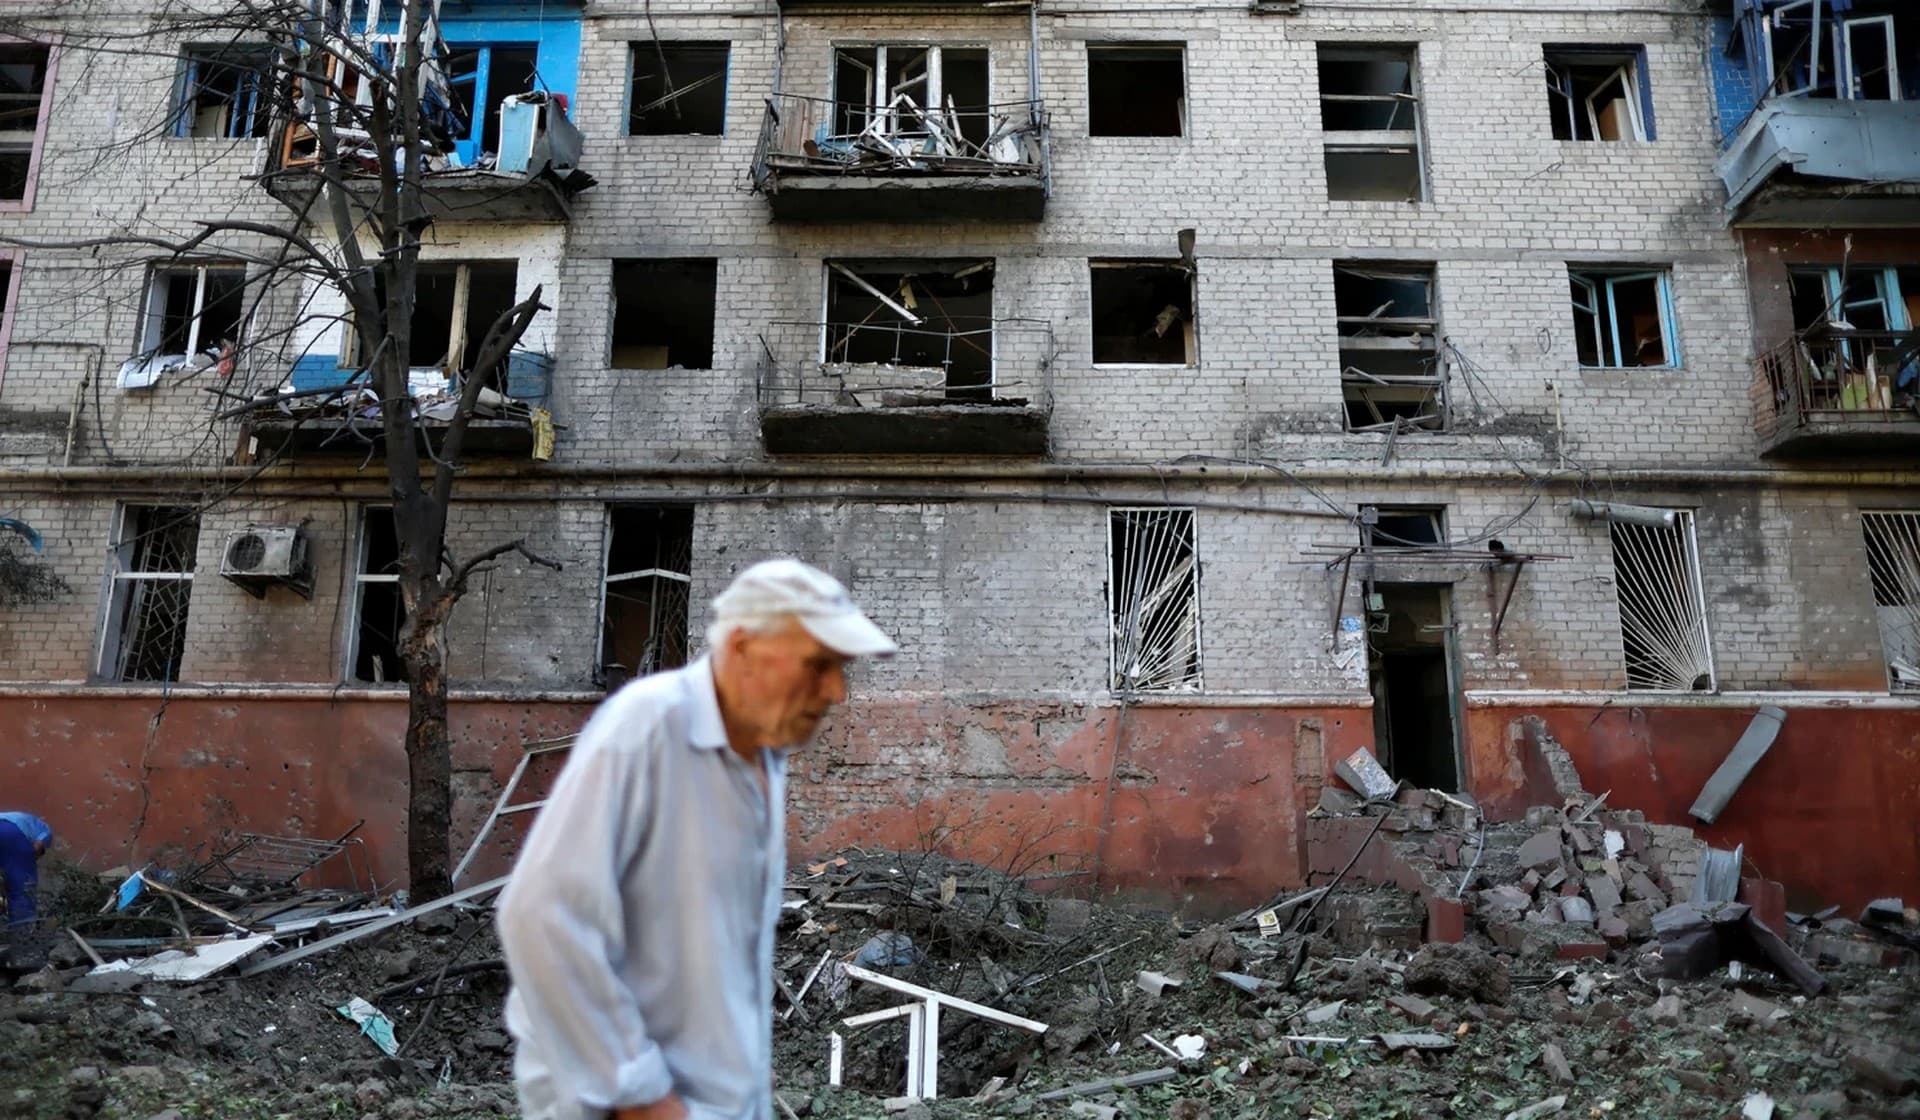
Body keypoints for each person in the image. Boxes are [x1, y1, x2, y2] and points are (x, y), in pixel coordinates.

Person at [497, 558, 897, 1120]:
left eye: (841, 669)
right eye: (817, 665)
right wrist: (638, 1093)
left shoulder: (763, 754)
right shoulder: (649, 726)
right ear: (739, 648)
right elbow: (540, 917)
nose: (835, 691)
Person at [0, 811, 52, 928]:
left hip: (8, 830)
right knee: (22, 889)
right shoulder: (45, 831)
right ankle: (22, 935)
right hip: (11, 832)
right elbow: (38, 845)